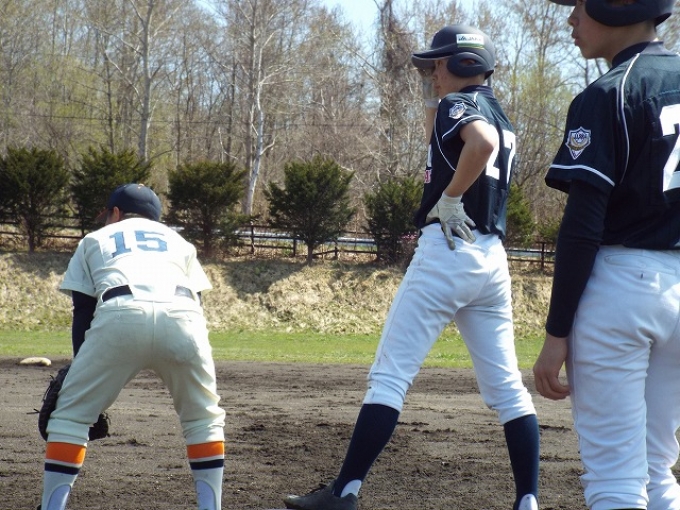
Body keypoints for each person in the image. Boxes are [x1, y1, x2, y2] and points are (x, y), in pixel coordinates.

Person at [283, 24, 539, 510]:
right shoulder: (498, 112)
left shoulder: (459, 105)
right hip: (491, 260)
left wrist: (450, 197)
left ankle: (344, 492)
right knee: (508, 389)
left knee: (390, 376)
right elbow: (443, 145)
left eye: (437, 64)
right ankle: (528, 499)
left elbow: (479, 144)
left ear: (461, 63)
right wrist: (432, 95)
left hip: (448, 249)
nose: (432, 73)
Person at [532, 1, 680, 509]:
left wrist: (556, 332)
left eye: (581, 5)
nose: (571, 19)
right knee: (657, 472)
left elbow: (582, 228)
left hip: (622, 290)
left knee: (616, 479)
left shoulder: (608, 92)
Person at [38, 183, 226, 510]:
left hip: (120, 312)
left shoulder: (95, 238)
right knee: (203, 419)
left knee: (70, 417)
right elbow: (198, 302)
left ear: (115, 213)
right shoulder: (180, 242)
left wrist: (81, 373)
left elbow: (83, 310)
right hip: (184, 316)